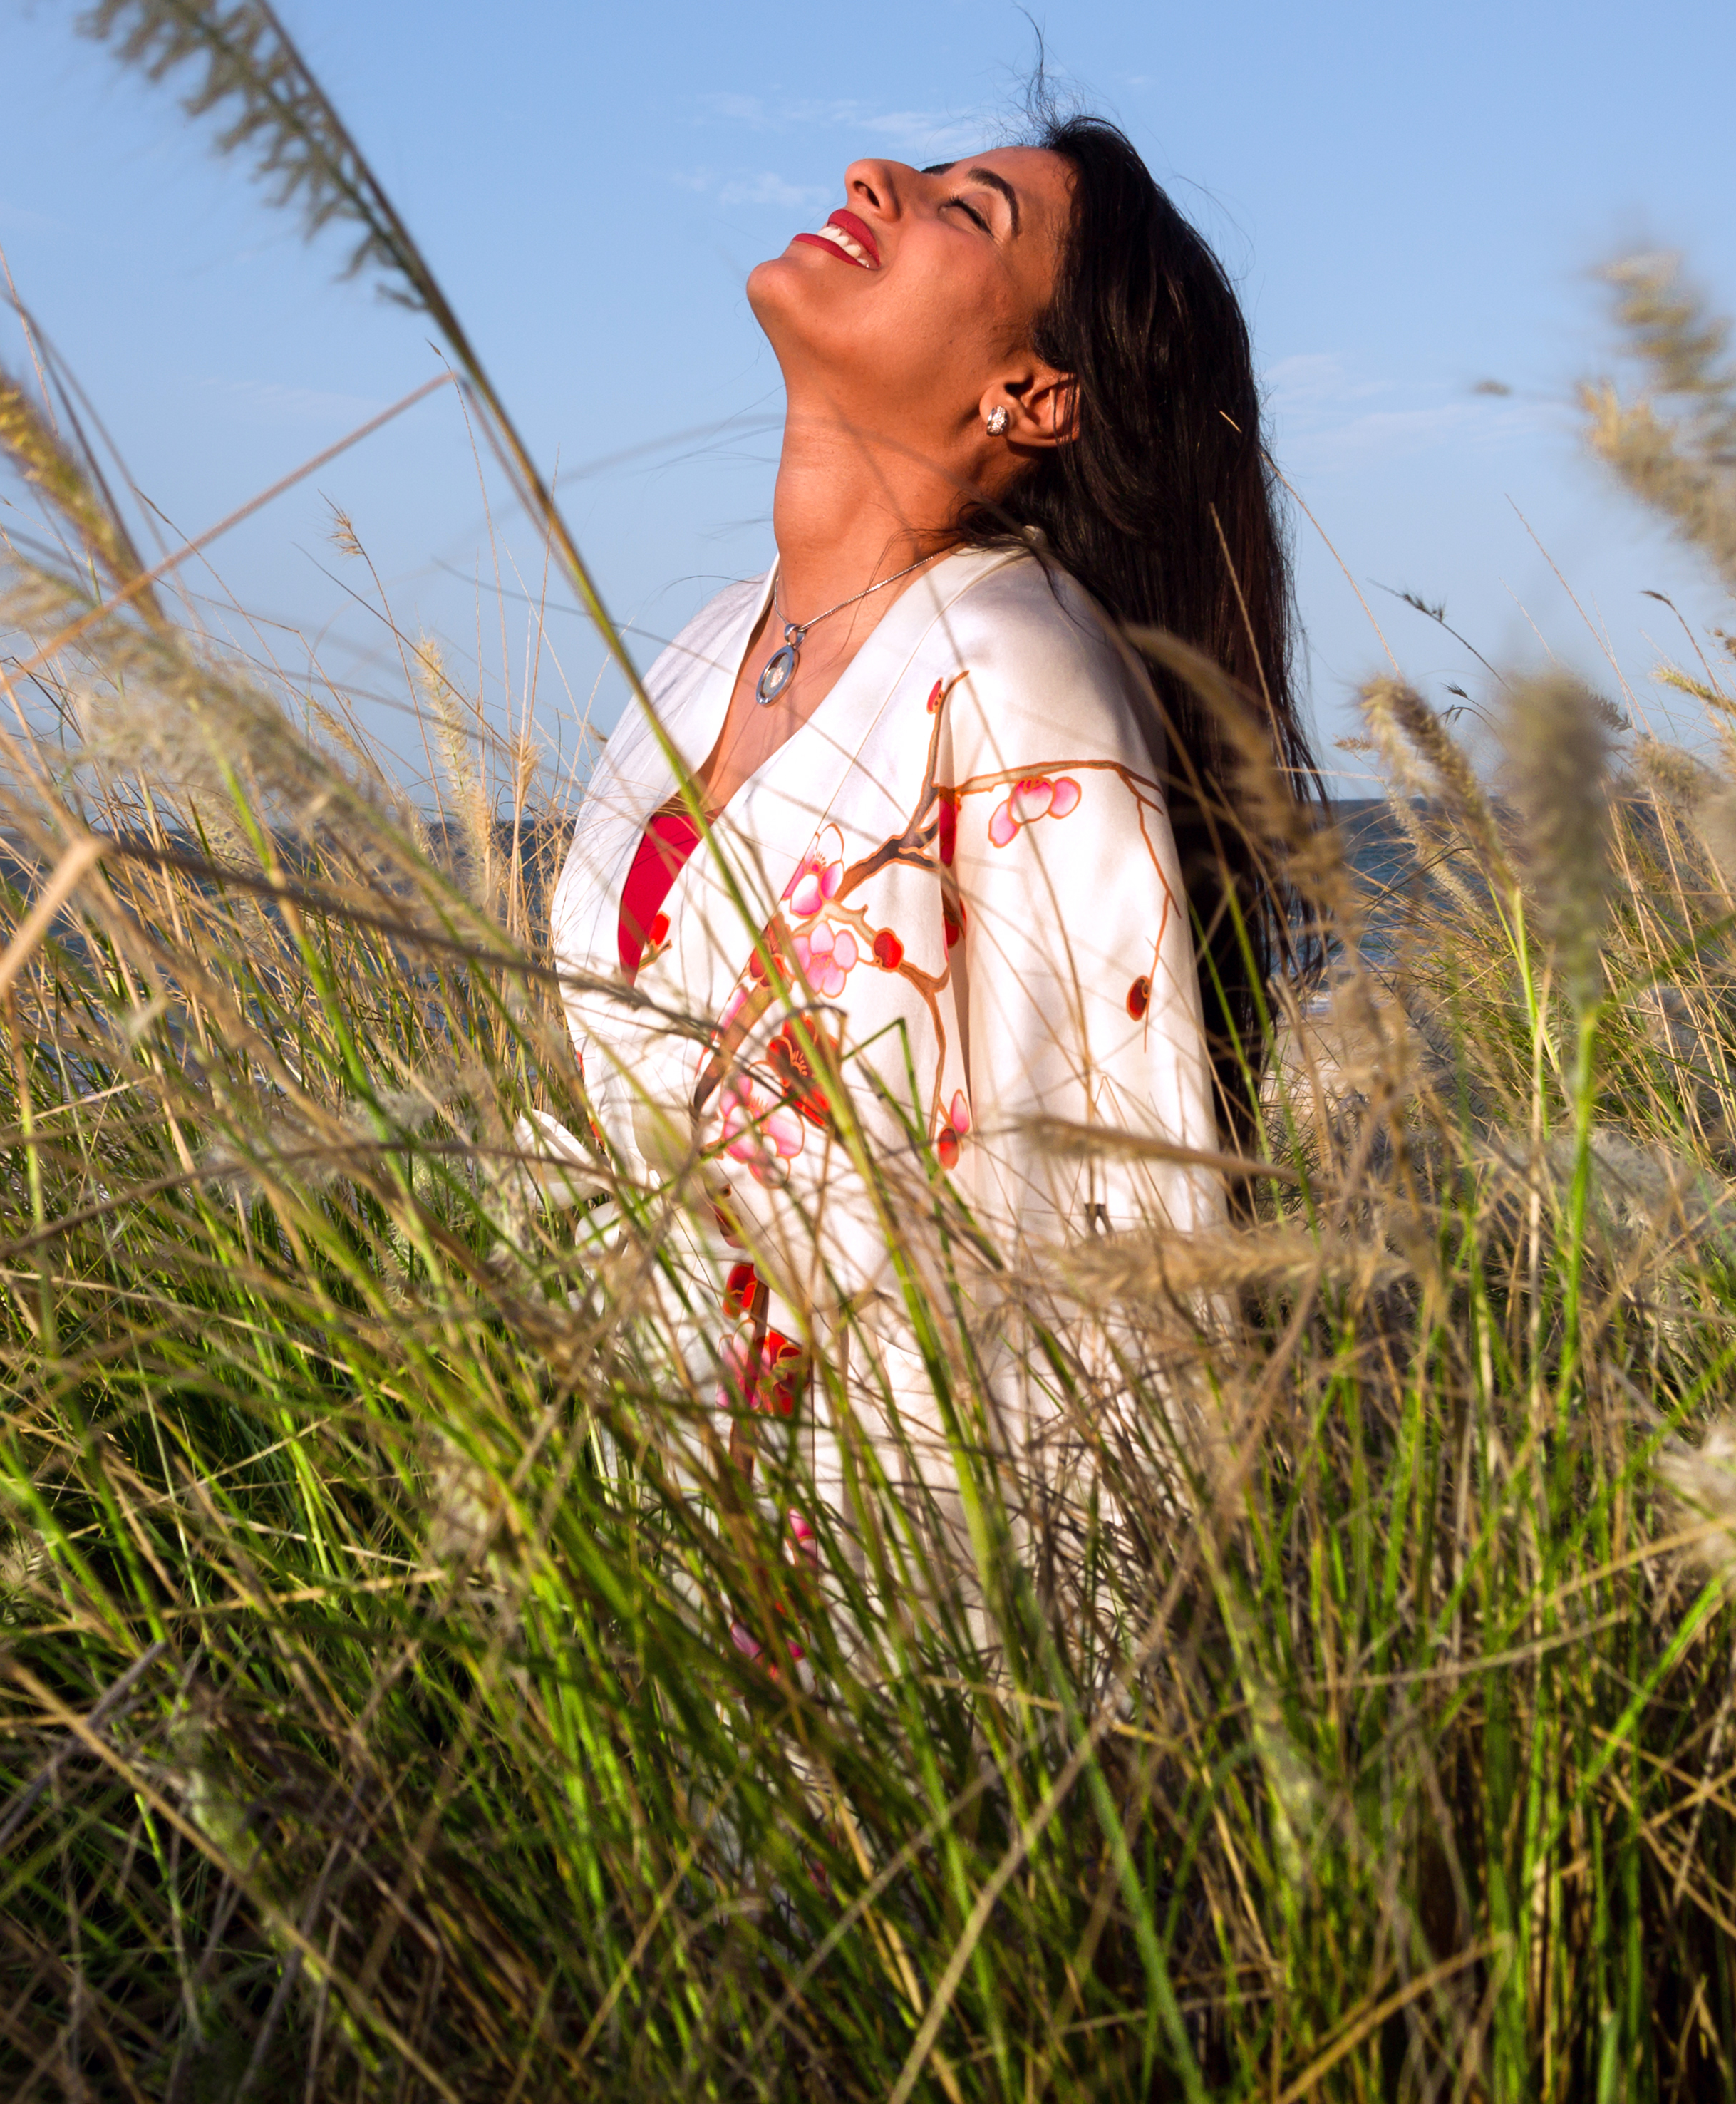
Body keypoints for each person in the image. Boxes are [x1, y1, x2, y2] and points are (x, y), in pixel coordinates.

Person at [546, 113, 1311, 1651]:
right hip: (648, 1566)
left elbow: (1106, 1275)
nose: (870, 182)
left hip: (890, 1621)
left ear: (1030, 395)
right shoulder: (707, 648)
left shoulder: (1019, 680)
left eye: (965, 206)